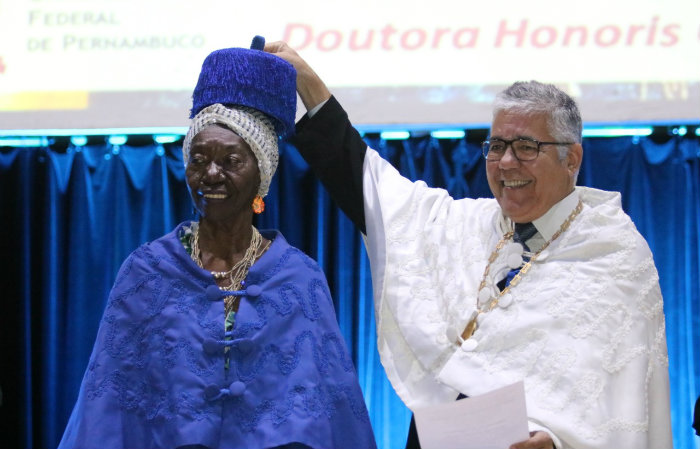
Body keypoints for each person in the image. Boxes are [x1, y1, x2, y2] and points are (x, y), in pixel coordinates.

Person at [264, 42, 673, 449]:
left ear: (572, 158)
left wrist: (557, 442)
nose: (507, 163)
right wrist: (309, 84)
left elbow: (622, 402)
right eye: (496, 146)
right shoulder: (466, 225)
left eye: (526, 147)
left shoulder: (612, 253)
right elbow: (367, 188)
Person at [57, 38, 377, 449]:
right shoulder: (146, 271)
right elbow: (104, 406)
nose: (211, 173)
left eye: (230, 161)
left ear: (260, 175)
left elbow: (332, 412)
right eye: (198, 158)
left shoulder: (299, 277)